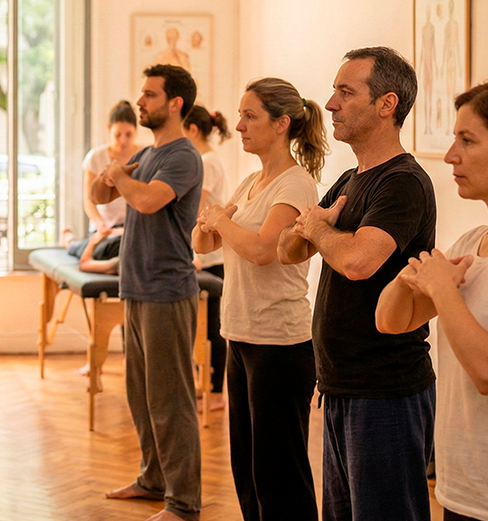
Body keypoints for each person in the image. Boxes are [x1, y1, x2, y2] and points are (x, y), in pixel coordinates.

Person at [277, 47, 437, 521]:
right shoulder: (350, 178)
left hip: (386, 391)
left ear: (387, 104)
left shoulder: (404, 181)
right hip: (342, 386)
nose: (329, 104)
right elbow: (288, 251)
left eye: (346, 92)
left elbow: (359, 262)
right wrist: (316, 231)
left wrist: (319, 229)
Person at [193, 78, 327, 521]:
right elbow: (202, 243)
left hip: (280, 344)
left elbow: (263, 251)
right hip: (241, 335)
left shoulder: (295, 185)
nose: (240, 125)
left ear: (282, 123)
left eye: (250, 116)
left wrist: (220, 220)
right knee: (247, 470)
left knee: (279, 473)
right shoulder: (252, 181)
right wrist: (213, 222)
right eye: (241, 115)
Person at [93, 64, 203, 521]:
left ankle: (183, 501)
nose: (140, 101)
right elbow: (104, 195)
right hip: (137, 289)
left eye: (150, 95)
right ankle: (153, 479)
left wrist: (118, 177)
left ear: (174, 102)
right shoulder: (149, 153)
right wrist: (110, 177)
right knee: (141, 395)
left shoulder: (182, 156)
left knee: (170, 400)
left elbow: (145, 200)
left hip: (167, 291)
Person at [376, 82, 488, 521]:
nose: (450, 156)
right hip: (460, 487)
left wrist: (441, 288)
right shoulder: (470, 244)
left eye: (468, 140)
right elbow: (390, 320)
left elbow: (484, 372)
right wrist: (408, 281)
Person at [183, 104, 230, 404]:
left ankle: (214, 391)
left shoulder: (207, 161)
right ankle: (205, 385)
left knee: (213, 326)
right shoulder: (204, 159)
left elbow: (195, 208)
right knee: (204, 325)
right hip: (205, 252)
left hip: (212, 256)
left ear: (192, 130)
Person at [64, 100, 140, 263]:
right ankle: (71, 244)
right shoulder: (96, 157)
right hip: (106, 229)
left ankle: (73, 242)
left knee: (135, 248)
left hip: (134, 228)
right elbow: (89, 200)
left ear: (136, 131)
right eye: (118, 134)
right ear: (108, 129)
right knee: (106, 250)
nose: (123, 140)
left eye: (128, 134)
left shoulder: (143, 155)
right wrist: (100, 224)